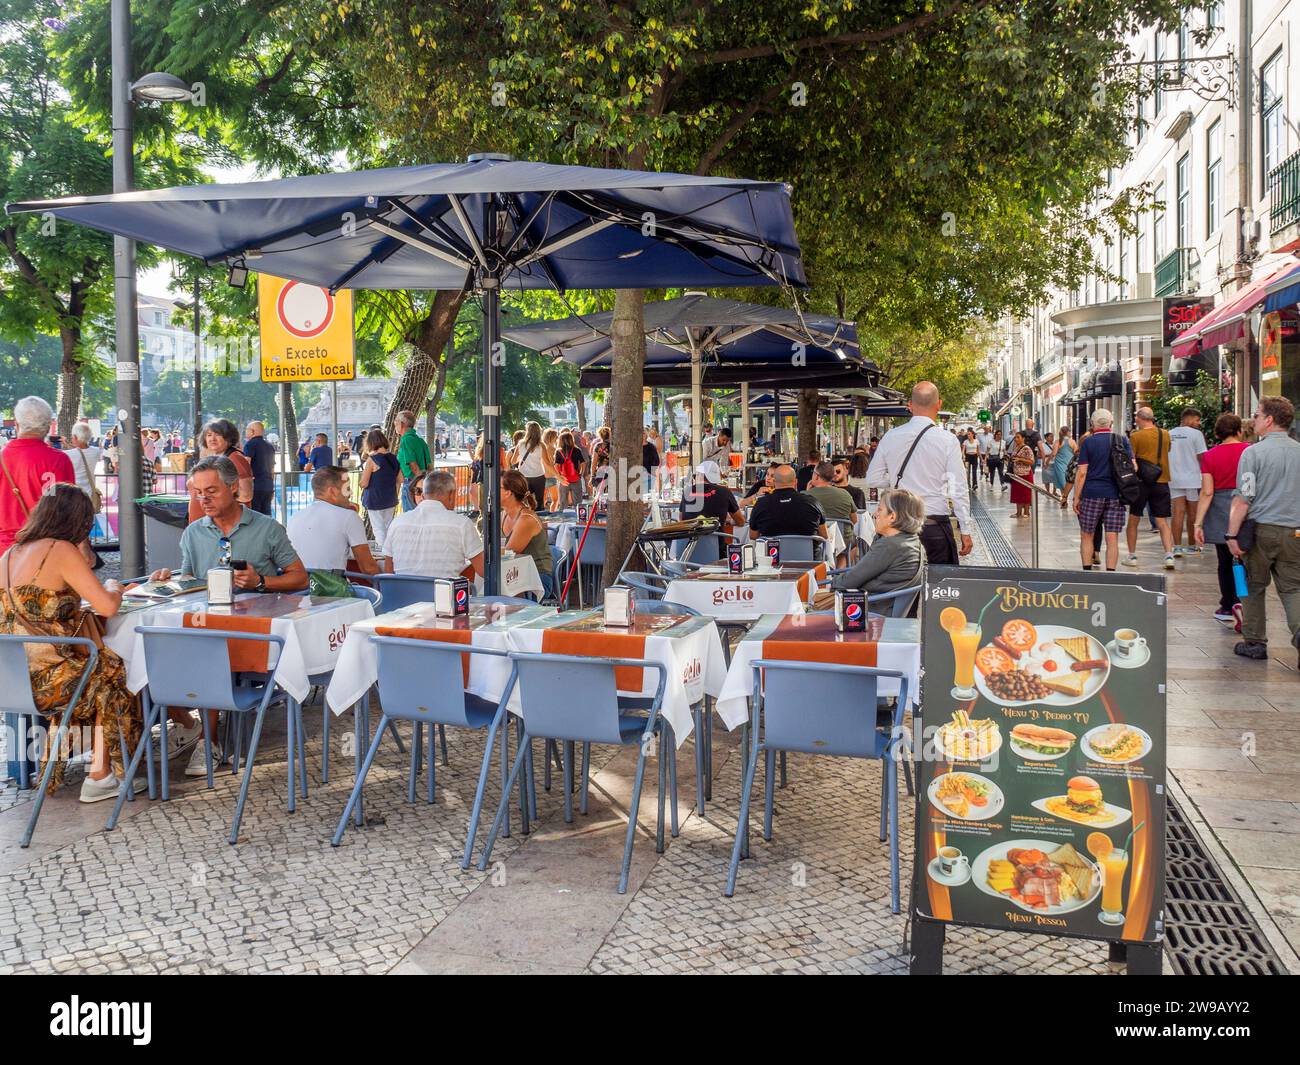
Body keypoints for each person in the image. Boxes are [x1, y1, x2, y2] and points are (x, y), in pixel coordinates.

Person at [0, 484, 145, 803]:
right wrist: (115, 588)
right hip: (50, 682)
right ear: (77, 522)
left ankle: (89, 762)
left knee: (94, 667)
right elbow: (106, 606)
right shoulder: (59, 550)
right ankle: (100, 774)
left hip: (12, 682)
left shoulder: (9, 554)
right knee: (113, 670)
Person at [1225, 396, 1300, 664]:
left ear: (1269, 420)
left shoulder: (1253, 453)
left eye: (1256, 415)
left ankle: (1255, 641)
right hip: (1295, 532)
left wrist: (1231, 534)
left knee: (1252, 586)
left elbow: (1243, 498)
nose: (1253, 420)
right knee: (1293, 588)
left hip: (1261, 531)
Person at [865, 381, 973, 565]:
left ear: (910, 405)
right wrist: (965, 530)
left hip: (898, 526)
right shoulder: (948, 440)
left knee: (900, 585)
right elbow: (958, 488)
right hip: (934, 526)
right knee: (938, 586)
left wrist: (896, 479)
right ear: (939, 404)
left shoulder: (891, 436)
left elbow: (872, 478)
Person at [1193, 413, 1250, 630]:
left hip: (1218, 509)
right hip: (1244, 507)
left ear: (1218, 433)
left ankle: (1227, 604)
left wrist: (1198, 523)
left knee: (1225, 562)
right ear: (1239, 430)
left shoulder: (1210, 456)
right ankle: (1242, 600)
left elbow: (1207, 492)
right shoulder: (1249, 451)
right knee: (1243, 561)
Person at [0, 397, 76, 555]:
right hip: (46, 550)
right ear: (48, 427)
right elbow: (69, 509)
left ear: (16, 424)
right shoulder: (58, 460)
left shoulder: (2, 458)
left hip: (4, 551)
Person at [382, 469, 485, 579]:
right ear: (451, 494)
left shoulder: (397, 522)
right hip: (442, 594)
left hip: (401, 594)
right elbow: (483, 570)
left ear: (423, 495)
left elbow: (388, 571)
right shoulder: (461, 524)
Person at [828, 487, 926, 597]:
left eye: (879, 509)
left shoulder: (890, 545)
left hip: (867, 607)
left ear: (892, 517)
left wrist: (827, 584)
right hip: (879, 604)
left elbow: (847, 583)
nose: (875, 514)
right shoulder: (912, 540)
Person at [287, 467, 379, 581]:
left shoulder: (294, 518)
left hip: (298, 589)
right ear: (332, 491)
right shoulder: (349, 517)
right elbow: (368, 568)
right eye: (347, 488)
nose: (350, 493)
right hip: (330, 591)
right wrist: (386, 588)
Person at [1071, 408, 1133, 571]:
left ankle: (1087, 570)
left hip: (1091, 494)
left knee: (1087, 534)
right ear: (1111, 423)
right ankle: (1110, 572)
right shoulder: (1122, 440)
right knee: (1112, 537)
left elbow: (1082, 472)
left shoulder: (1088, 442)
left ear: (1092, 424)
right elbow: (1134, 466)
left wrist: (1076, 497)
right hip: (1116, 495)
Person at [1124, 406, 1176, 570]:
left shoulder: (1136, 436)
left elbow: (1132, 458)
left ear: (1140, 418)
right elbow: (1167, 450)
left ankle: (1132, 555)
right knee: (1162, 521)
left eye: (1136, 418)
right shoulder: (1165, 434)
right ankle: (1168, 555)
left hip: (1141, 482)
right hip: (1161, 481)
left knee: (1134, 519)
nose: (1135, 421)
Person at [500, 470, 554, 600]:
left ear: (508, 493)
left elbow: (508, 553)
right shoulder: (503, 514)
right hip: (515, 574)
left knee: (498, 591)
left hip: (537, 579)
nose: (491, 491)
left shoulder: (526, 519)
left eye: (498, 487)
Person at [186, 419, 253, 524]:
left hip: (222, 527)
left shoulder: (234, 458)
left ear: (228, 437)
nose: (212, 439)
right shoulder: (214, 458)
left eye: (217, 434)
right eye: (208, 435)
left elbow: (246, 495)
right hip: (205, 527)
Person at [748, 464, 827, 541]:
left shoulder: (761, 504)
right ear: (796, 482)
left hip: (772, 553)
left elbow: (753, 536)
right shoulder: (812, 503)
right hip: (807, 553)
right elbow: (824, 535)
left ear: (775, 482)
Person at [1168, 407, 1207, 557]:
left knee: (1177, 513)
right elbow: (1202, 457)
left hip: (1174, 478)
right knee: (1193, 513)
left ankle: (1176, 546)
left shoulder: (1170, 434)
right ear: (1189, 418)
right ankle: (1192, 545)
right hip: (1193, 479)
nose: (1198, 423)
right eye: (1197, 420)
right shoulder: (1197, 435)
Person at [359, 428, 402, 546]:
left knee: (379, 529)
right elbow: (400, 479)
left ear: (370, 443)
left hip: (375, 499)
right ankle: (390, 552)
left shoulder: (372, 460)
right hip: (390, 498)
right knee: (388, 527)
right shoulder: (394, 458)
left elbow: (364, 483)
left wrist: (360, 481)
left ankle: (384, 554)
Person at [681, 460, 743, 529]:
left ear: (700, 475)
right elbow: (741, 522)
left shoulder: (687, 491)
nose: (695, 479)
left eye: (695, 476)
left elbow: (682, 520)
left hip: (689, 538)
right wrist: (729, 521)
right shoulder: (725, 491)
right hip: (716, 538)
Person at [394, 410, 430, 512]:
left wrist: (417, 484)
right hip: (421, 483)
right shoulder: (420, 440)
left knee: (411, 516)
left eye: (396, 422)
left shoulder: (406, 440)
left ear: (402, 424)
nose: (395, 425)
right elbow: (429, 466)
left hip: (411, 483)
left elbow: (413, 465)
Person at [64, 423, 103, 506]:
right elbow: (83, 452)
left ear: (75, 437)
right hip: (90, 494)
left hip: (74, 494)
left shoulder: (68, 454)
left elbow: (77, 453)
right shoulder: (96, 451)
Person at [243, 421, 277, 516]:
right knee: (266, 516)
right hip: (268, 486)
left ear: (252, 431)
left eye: (247, 430)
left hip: (255, 487)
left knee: (254, 517)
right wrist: (271, 487)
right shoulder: (270, 446)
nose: (246, 433)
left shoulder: (250, 444)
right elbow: (272, 469)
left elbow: (246, 464)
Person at [514, 421, 547, 510]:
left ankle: (525, 518)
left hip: (524, 476)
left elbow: (513, 460)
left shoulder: (521, 443)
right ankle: (538, 520)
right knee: (539, 501)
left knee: (523, 500)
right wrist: (558, 476)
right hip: (538, 475)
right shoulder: (541, 445)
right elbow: (547, 463)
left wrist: (521, 459)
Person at [554, 430, 586, 510]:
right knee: (578, 501)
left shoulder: (559, 451)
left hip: (564, 480)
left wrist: (560, 477)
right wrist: (580, 474)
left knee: (563, 501)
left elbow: (556, 465)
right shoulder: (577, 450)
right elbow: (583, 463)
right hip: (575, 478)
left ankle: (563, 519)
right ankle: (578, 517)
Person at [1008, 431, 1035, 519]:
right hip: (1016, 474)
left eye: (1018, 437)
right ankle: (1018, 512)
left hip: (1025, 474)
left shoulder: (1026, 448)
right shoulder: (1016, 447)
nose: (1016, 439)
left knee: (1026, 493)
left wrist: (1020, 459)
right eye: (1015, 437)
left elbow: (1031, 461)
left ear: (1023, 438)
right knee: (1017, 494)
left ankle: (1026, 512)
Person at [1048, 427, 1075, 500]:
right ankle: (1064, 498)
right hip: (1069, 464)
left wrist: (1047, 461)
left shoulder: (1058, 442)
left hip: (1059, 464)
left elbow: (1053, 454)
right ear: (1068, 432)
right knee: (1066, 481)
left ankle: (1064, 498)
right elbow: (1076, 452)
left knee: (1061, 481)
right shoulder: (1072, 441)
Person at [541, 427, 562, 511]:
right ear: (552, 437)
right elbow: (556, 464)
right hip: (551, 476)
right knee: (555, 500)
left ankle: (541, 515)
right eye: (556, 436)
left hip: (541, 476)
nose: (557, 438)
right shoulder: (554, 450)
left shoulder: (541, 448)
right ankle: (552, 515)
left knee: (543, 500)